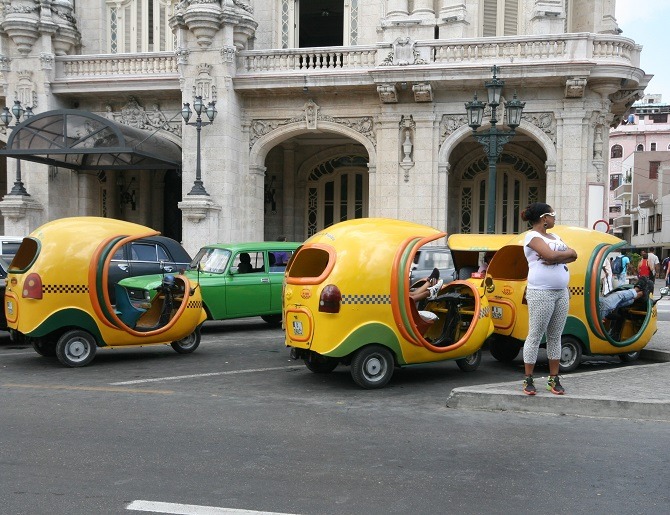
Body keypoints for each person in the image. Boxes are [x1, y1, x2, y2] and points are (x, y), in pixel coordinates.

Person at [520, 203, 578, 396]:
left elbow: (574, 254)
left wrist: (559, 257)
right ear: (544, 218)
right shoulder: (531, 236)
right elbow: (549, 254)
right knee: (535, 335)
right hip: (541, 292)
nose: (555, 218)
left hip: (561, 292)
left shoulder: (555, 237)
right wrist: (562, 255)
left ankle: (554, 378)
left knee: (555, 336)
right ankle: (528, 378)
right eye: (553, 215)